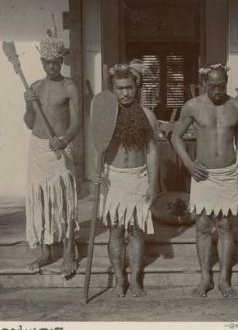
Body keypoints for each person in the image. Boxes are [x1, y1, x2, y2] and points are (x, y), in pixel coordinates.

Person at [171, 63, 238, 298]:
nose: (217, 91)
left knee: (225, 226)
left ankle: (223, 279)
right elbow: (175, 137)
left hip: (227, 174)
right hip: (202, 174)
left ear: (226, 82)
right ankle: (205, 278)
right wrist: (189, 164)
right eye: (212, 86)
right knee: (202, 225)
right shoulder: (192, 106)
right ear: (204, 84)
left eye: (221, 85)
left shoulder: (237, 107)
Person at [92, 60, 159, 298]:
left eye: (129, 87)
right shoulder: (105, 116)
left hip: (138, 177)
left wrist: (153, 183)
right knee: (117, 231)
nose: (125, 93)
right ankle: (119, 280)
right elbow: (98, 148)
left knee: (137, 230)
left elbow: (151, 152)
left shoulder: (148, 116)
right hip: (114, 178)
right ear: (113, 89)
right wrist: (96, 172)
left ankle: (136, 280)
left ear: (136, 86)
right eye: (120, 88)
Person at [23, 31, 81, 278]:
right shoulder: (35, 87)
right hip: (37, 148)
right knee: (41, 198)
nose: (51, 66)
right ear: (42, 63)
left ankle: (68, 251)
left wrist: (64, 140)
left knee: (64, 199)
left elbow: (77, 123)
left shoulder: (69, 86)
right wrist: (28, 104)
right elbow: (28, 123)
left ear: (61, 61)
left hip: (60, 148)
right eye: (47, 62)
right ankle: (45, 251)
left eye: (55, 62)